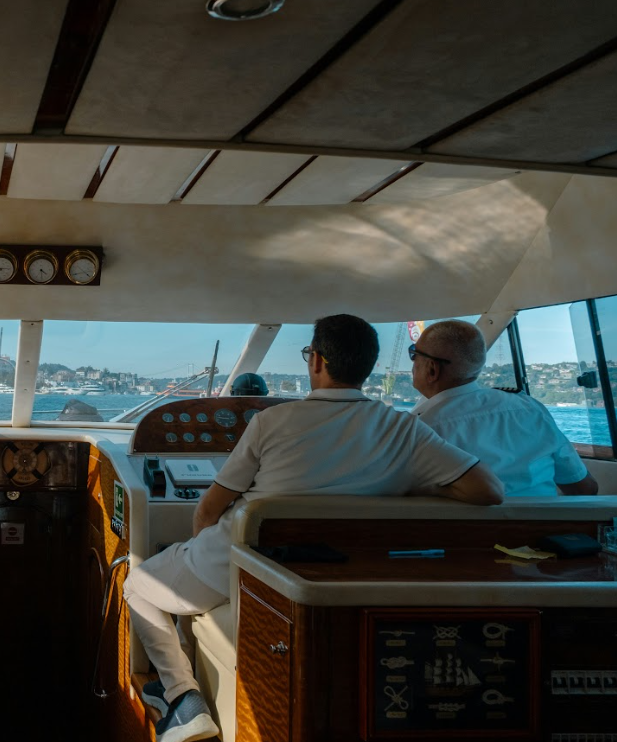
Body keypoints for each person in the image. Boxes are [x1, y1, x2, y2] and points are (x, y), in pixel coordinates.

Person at [124, 314, 503, 742]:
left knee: (138, 583)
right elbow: (487, 490)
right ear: (367, 367)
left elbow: (209, 510)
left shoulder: (270, 422)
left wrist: (195, 558)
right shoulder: (402, 427)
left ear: (316, 360)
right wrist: (406, 485)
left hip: (247, 564)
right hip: (332, 573)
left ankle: (181, 698)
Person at [409, 319, 598, 497]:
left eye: (414, 355)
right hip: (543, 529)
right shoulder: (530, 409)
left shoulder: (420, 428)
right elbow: (584, 488)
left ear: (432, 369)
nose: (412, 364)